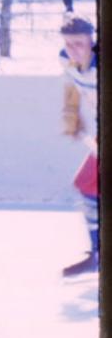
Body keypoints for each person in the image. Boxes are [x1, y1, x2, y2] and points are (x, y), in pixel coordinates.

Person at [59, 15, 98, 277]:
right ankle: (98, 254)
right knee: (87, 184)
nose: (74, 49)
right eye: (70, 43)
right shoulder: (66, 60)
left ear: (92, 41)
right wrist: (72, 113)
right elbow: (72, 87)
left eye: (80, 43)